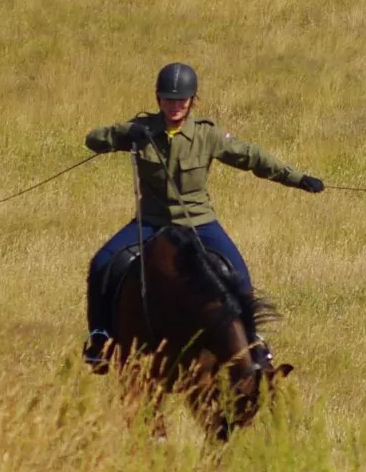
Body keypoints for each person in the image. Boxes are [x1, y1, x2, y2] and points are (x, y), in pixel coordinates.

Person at [80, 62, 325, 371]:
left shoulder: (207, 134)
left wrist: (298, 178)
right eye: (168, 100)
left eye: (181, 100)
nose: (175, 107)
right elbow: (93, 140)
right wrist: (126, 132)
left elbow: (251, 157)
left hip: (199, 223)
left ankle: (254, 344)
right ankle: (100, 338)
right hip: (151, 223)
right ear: (158, 99)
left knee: (239, 276)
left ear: (192, 101)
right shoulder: (141, 131)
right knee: (101, 263)